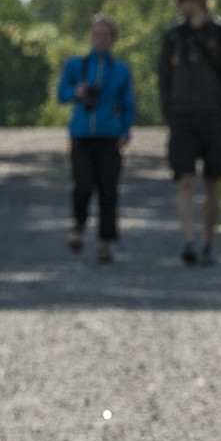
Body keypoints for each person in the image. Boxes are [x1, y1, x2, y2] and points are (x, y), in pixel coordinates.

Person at [158, 0, 221, 265]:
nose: (184, 6)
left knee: (213, 180)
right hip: (182, 117)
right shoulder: (174, 37)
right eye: (181, 1)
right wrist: (169, 110)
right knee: (184, 179)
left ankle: (209, 240)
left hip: (212, 116)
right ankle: (188, 238)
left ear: (199, 1)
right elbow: (163, 77)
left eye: (188, 0)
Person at [57, 15, 136, 264]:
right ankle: (78, 226)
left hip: (109, 137)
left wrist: (125, 131)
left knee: (108, 190)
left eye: (105, 34)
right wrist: (76, 92)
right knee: (82, 184)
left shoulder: (120, 69)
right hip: (81, 135)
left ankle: (104, 242)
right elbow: (61, 94)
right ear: (90, 36)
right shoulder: (76, 65)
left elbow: (128, 104)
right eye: (96, 34)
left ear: (113, 39)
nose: (100, 38)